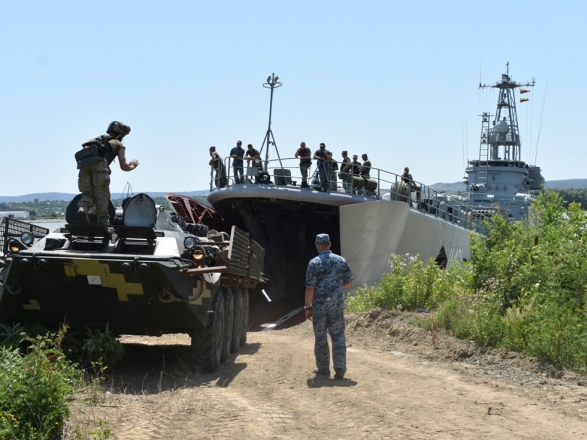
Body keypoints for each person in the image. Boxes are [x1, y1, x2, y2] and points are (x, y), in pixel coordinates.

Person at [305, 233, 353, 379]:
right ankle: (340, 368)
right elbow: (349, 283)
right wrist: (336, 286)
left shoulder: (314, 263)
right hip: (336, 306)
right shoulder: (341, 261)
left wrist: (307, 307)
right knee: (338, 336)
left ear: (317, 245)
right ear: (330, 244)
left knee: (321, 338)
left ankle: (324, 370)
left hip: (319, 307)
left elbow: (310, 288)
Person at [77, 121, 139, 227]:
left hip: (83, 167)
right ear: (121, 134)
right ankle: (103, 224)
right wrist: (133, 166)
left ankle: (83, 208)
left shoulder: (95, 141)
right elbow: (124, 166)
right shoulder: (118, 144)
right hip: (100, 169)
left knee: (88, 194)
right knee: (102, 196)